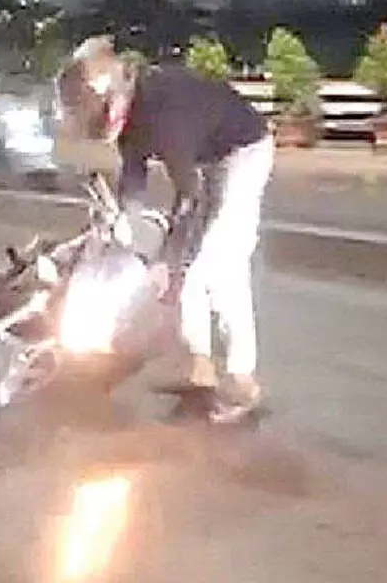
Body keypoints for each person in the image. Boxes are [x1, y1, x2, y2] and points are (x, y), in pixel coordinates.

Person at [57, 35, 274, 412]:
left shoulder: (166, 116)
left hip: (244, 151)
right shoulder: (132, 116)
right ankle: (201, 370)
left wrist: (165, 261)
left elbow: (189, 197)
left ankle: (243, 381)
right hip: (208, 156)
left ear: (112, 97)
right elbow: (134, 175)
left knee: (221, 266)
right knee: (185, 273)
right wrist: (124, 221)